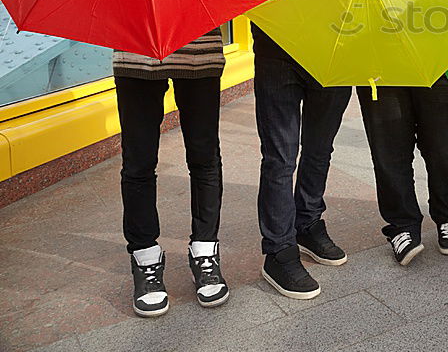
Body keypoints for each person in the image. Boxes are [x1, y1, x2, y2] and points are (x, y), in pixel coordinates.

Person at [114, 29, 229, 317]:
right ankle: (145, 256)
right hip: (135, 48)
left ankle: (204, 250)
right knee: (138, 162)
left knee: (204, 158)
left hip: (199, 46)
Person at [253, 24, 352, 300]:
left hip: (336, 49)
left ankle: (307, 223)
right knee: (280, 159)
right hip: (278, 45)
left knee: (319, 150)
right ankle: (278, 250)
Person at [357, 76, 448, 266]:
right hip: (379, 64)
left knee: (446, 145)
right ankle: (402, 224)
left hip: (438, 59)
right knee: (389, 150)